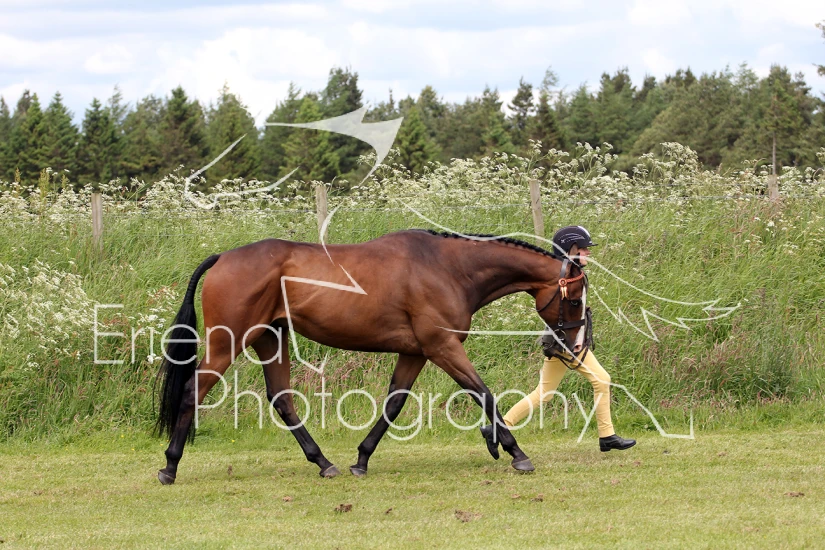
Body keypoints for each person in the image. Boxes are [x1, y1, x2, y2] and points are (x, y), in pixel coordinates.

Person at [481, 225, 635, 458]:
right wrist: (576, 342)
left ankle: (497, 428)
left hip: (563, 340)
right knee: (602, 380)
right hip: (567, 342)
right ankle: (607, 436)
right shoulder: (563, 277)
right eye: (584, 248)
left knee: (545, 393)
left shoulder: (572, 273)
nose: (588, 252)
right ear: (570, 249)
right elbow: (561, 316)